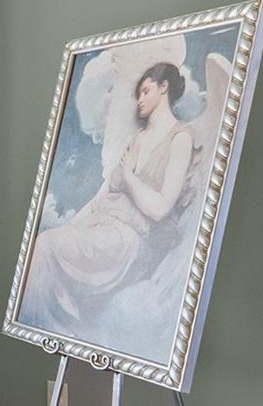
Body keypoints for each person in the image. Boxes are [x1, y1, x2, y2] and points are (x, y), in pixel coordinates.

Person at [23, 61, 196, 327]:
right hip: (101, 226)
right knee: (43, 242)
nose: (140, 99)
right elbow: (101, 196)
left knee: (46, 248)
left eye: (146, 91)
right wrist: (73, 226)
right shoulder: (136, 140)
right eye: (138, 93)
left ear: (164, 87)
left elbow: (161, 209)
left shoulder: (180, 139)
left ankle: (54, 325)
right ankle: (49, 326)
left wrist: (128, 177)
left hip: (131, 240)